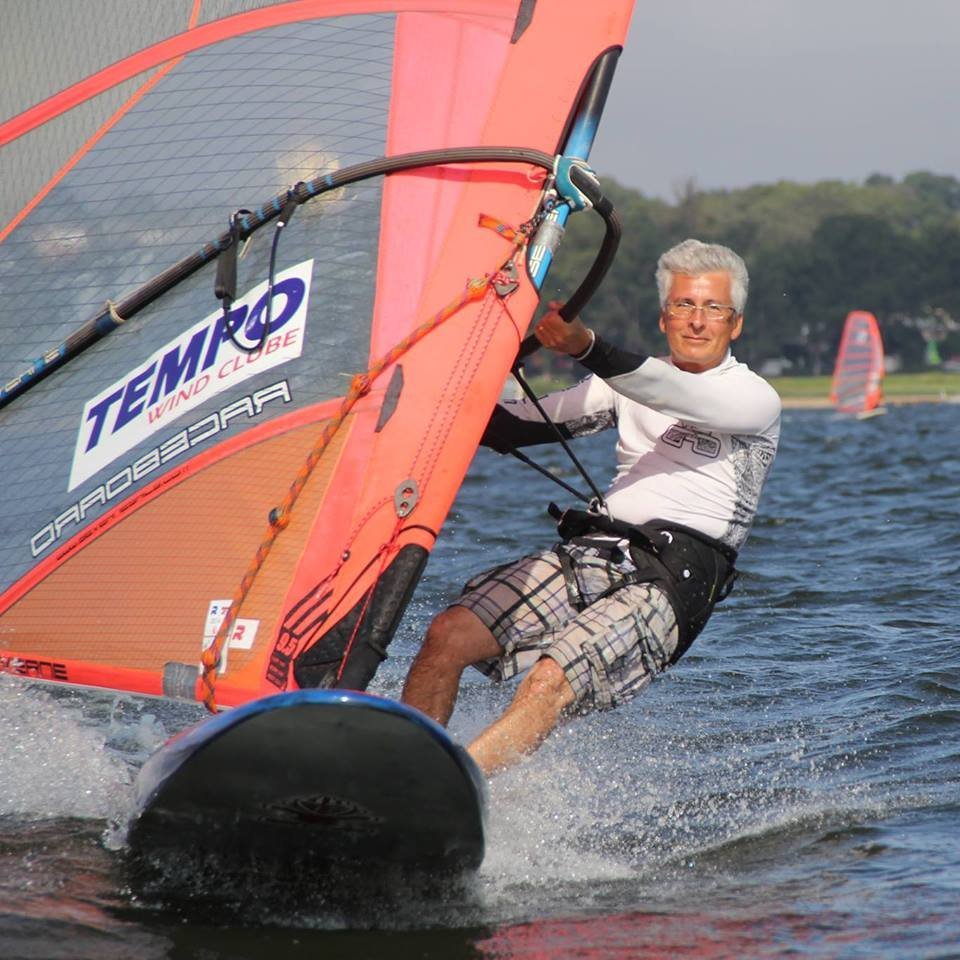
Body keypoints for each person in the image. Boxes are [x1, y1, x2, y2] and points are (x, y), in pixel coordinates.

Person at [401, 238, 781, 776]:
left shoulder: (752, 398)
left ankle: (448, 790)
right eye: (684, 305)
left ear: (735, 324)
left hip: (675, 580)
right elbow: (508, 426)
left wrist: (585, 346)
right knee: (448, 634)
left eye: (713, 308)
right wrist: (438, 379)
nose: (697, 321)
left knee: (549, 680)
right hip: (599, 553)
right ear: (663, 317)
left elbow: (675, 395)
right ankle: (403, 773)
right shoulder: (623, 389)